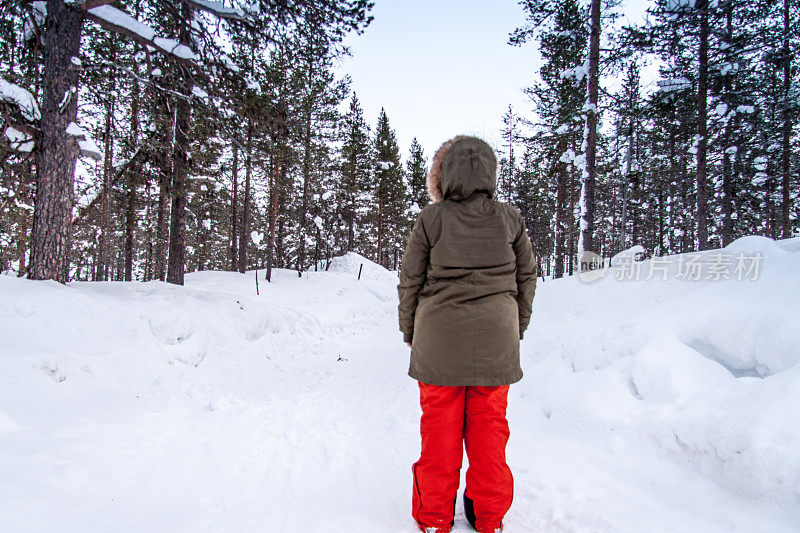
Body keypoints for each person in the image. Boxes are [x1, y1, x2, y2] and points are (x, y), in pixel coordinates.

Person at [398, 136, 537, 533]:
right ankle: (488, 518)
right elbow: (526, 278)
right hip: (496, 343)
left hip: (438, 343)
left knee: (439, 434)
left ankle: (435, 518)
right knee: (489, 432)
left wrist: (411, 331)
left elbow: (411, 280)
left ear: (444, 176)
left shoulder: (431, 218)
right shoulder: (510, 219)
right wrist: (516, 326)